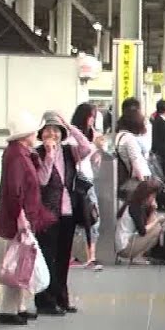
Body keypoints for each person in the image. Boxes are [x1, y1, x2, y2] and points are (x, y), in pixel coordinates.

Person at [0, 111, 56, 324]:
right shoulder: (16, 155)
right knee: (15, 263)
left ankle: (18, 306)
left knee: (21, 262)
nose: (36, 134)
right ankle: (7, 310)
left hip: (23, 216)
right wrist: (20, 217)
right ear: (25, 134)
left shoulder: (22, 153)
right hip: (18, 218)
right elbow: (14, 190)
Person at [32, 111, 85, 315]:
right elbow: (42, 181)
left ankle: (62, 298)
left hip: (68, 211)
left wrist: (70, 126)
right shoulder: (37, 153)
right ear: (41, 133)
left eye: (56, 130)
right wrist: (49, 156)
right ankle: (45, 300)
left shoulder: (70, 151)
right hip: (47, 212)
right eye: (48, 130)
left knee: (63, 258)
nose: (52, 134)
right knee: (47, 257)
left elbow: (87, 147)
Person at [69, 103, 103, 271]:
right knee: (90, 217)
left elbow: (92, 155)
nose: (92, 120)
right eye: (91, 116)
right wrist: (93, 146)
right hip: (79, 182)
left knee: (89, 218)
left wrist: (97, 150)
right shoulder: (72, 136)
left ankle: (89, 256)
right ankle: (88, 256)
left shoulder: (89, 134)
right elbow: (79, 153)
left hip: (87, 181)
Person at [116, 177, 165, 264]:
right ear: (147, 195)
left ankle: (139, 255)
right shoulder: (135, 208)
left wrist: (152, 210)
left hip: (128, 242)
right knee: (157, 228)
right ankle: (138, 256)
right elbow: (143, 231)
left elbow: (147, 225)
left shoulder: (136, 204)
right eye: (153, 196)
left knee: (156, 226)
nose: (153, 199)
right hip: (125, 248)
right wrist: (157, 220)